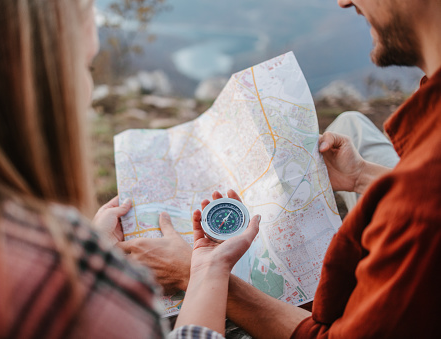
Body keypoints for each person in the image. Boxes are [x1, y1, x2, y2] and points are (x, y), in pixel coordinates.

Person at [0, 1, 259, 338]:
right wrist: (208, 268)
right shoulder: (74, 290)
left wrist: (87, 247)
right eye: (86, 65)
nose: (87, 92)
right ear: (37, 87)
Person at [120, 0, 441, 337]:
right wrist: (361, 176)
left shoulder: (419, 210)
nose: (344, 2)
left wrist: (199, 272)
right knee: (351, 125)